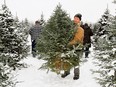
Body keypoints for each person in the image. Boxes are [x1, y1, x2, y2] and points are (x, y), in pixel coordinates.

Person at [61, 13, 84, 80]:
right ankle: (67, 72)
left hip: (77, 47)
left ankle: (76, 74)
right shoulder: (70, 27)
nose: (75, 20)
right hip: (69, 47)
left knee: (75, 61)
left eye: (77, 19)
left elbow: (77, 40)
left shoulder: (80, 29)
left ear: (79, 20)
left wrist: (68, 43)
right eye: (74, 18)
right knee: (67, 59)